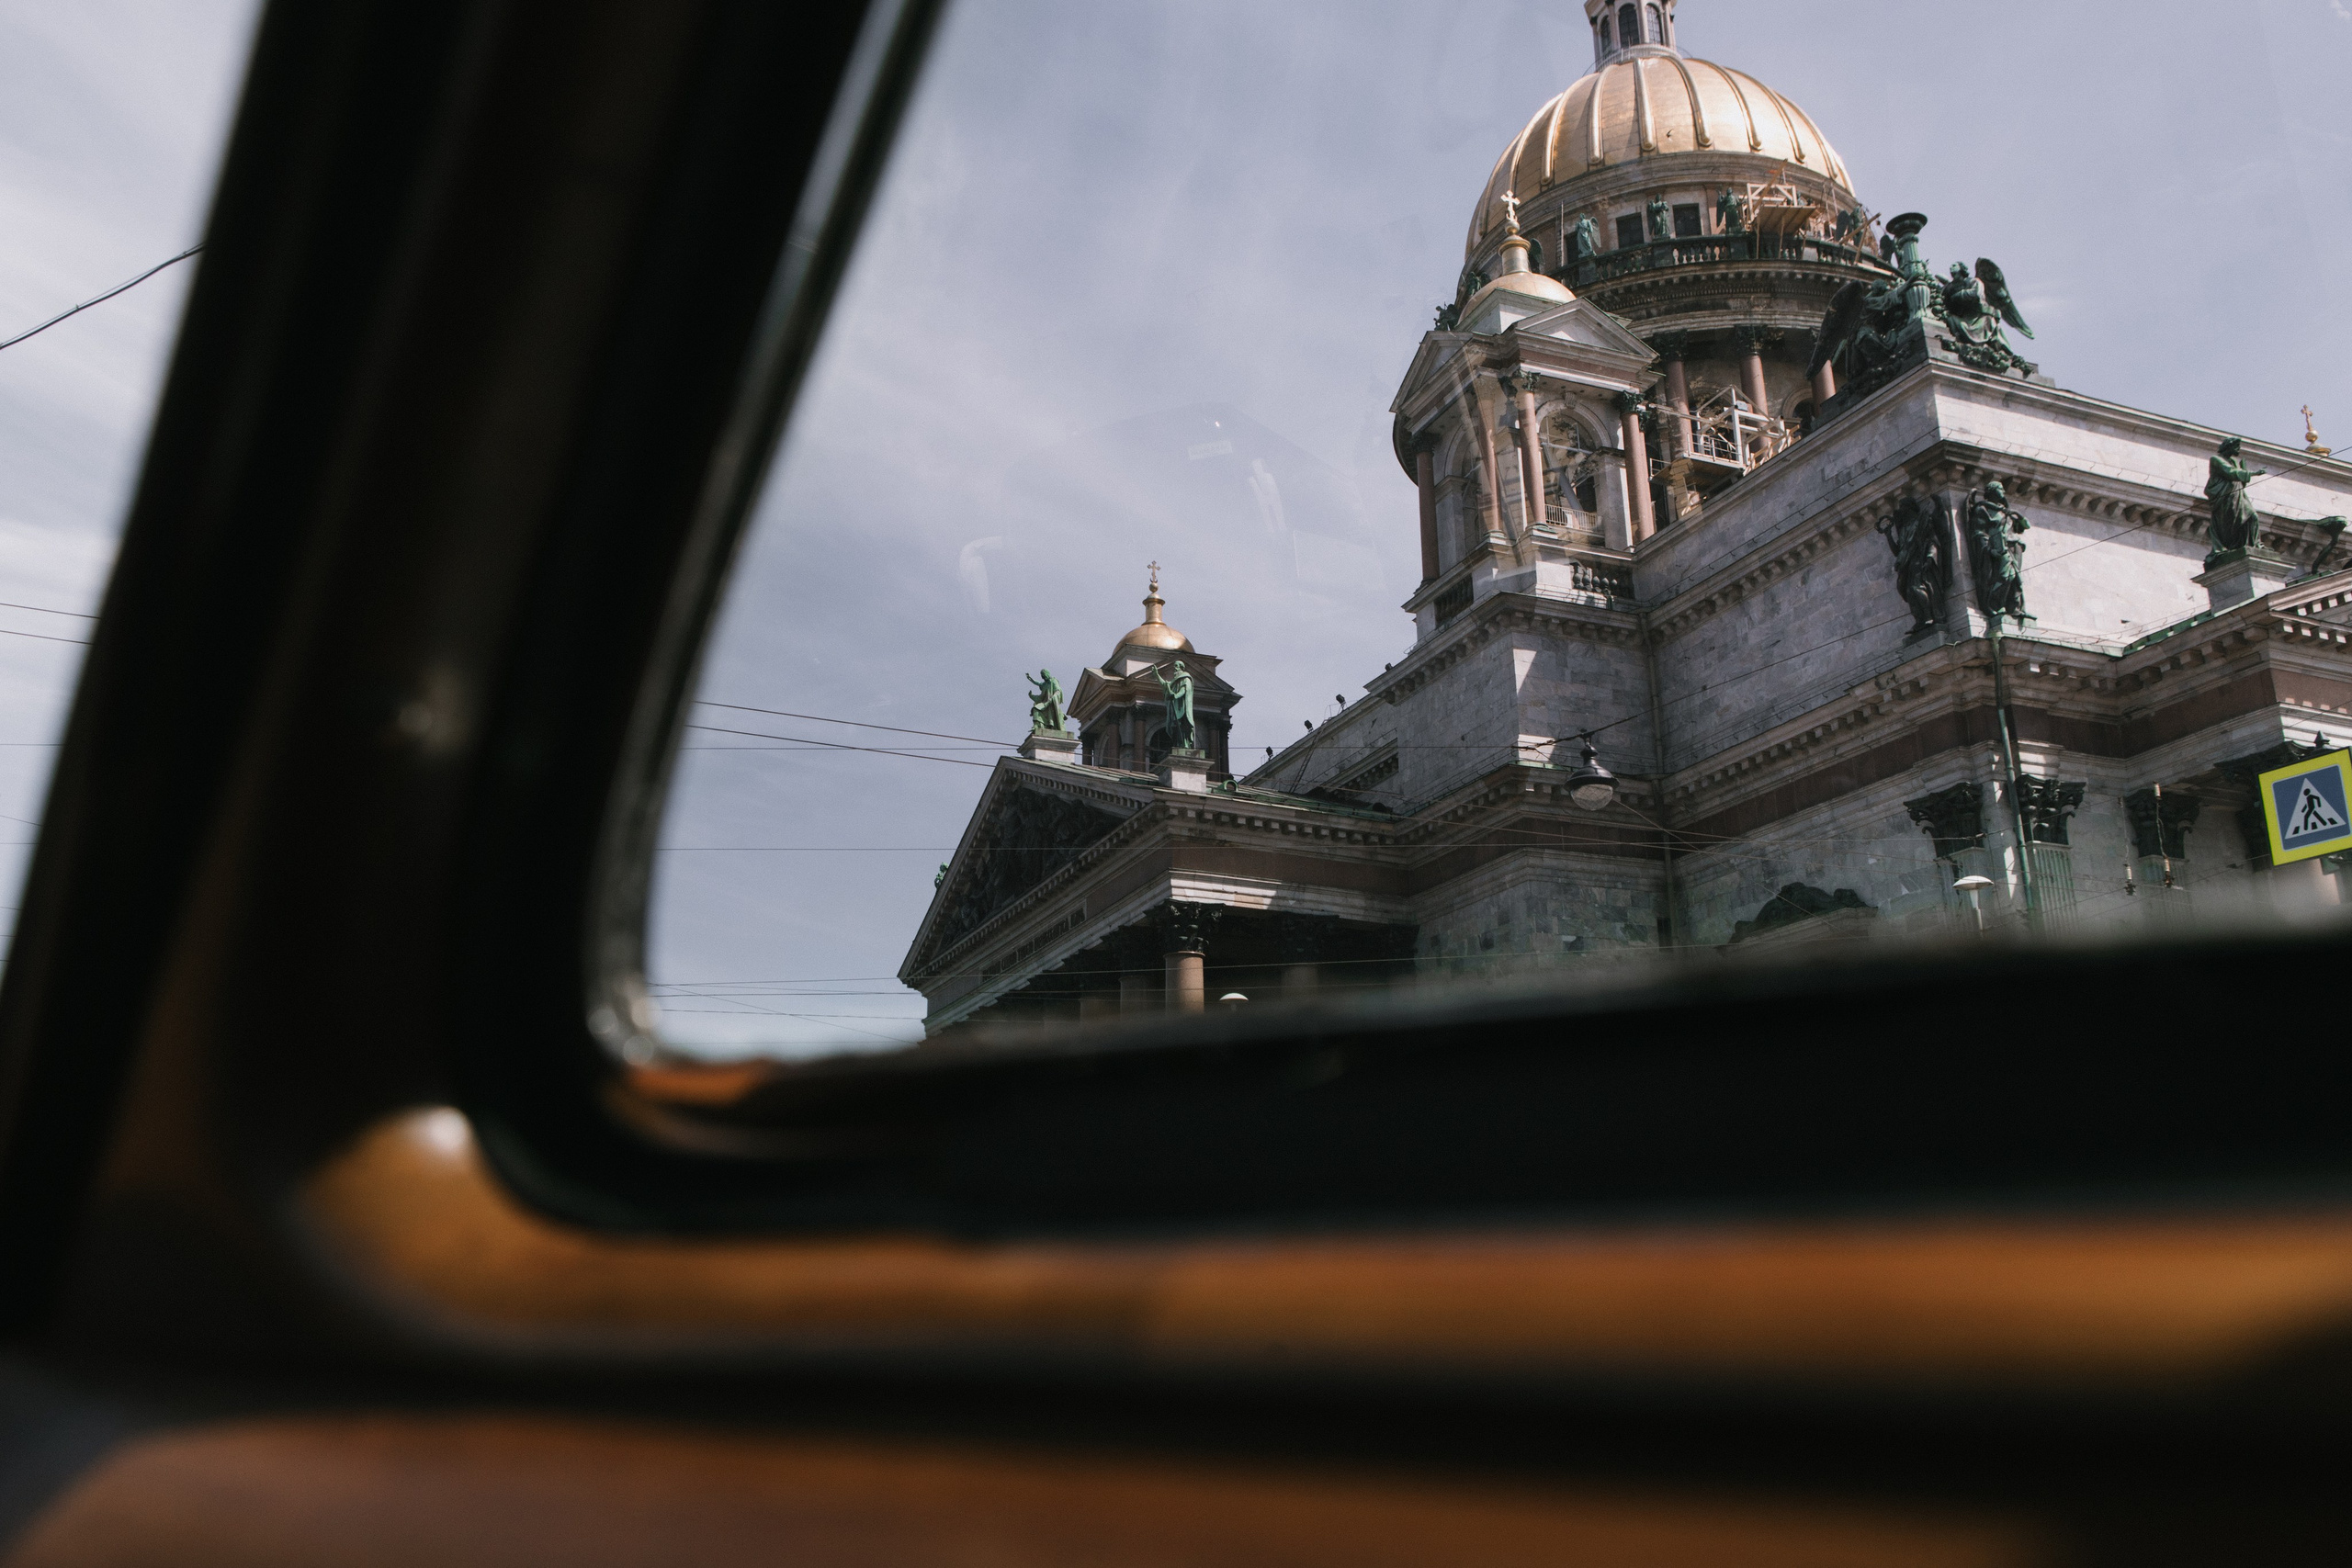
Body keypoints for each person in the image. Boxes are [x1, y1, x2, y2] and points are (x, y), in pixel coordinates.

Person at [2204, 435, 2266, 557]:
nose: (2239, 450)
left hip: (2238, 496)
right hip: (2225, 499)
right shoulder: (2216, 459)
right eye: (2237, 447)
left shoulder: (2233, 462)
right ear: (2229, 447)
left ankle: (2253, 544)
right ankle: (2236, 545)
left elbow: (2239, 481)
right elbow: (2230, 473)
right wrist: (2254, 473)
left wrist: (2243, 471)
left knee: (2253, 516)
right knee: (2233, 525)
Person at [1151, 660, 1196, 753]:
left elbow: (1184, 690)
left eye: (1176, 666)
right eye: (1174, 666)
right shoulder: (1175, 681)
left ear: (1181, 667)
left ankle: (1184, 745)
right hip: (1174, 708)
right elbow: (1165, 685)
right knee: (1174, 727)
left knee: (1182, 727)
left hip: (1181, 708)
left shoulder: (1186, 678)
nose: (1174, 668)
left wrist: (1175, 695)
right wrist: (1157, 675)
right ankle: (1177, 745)